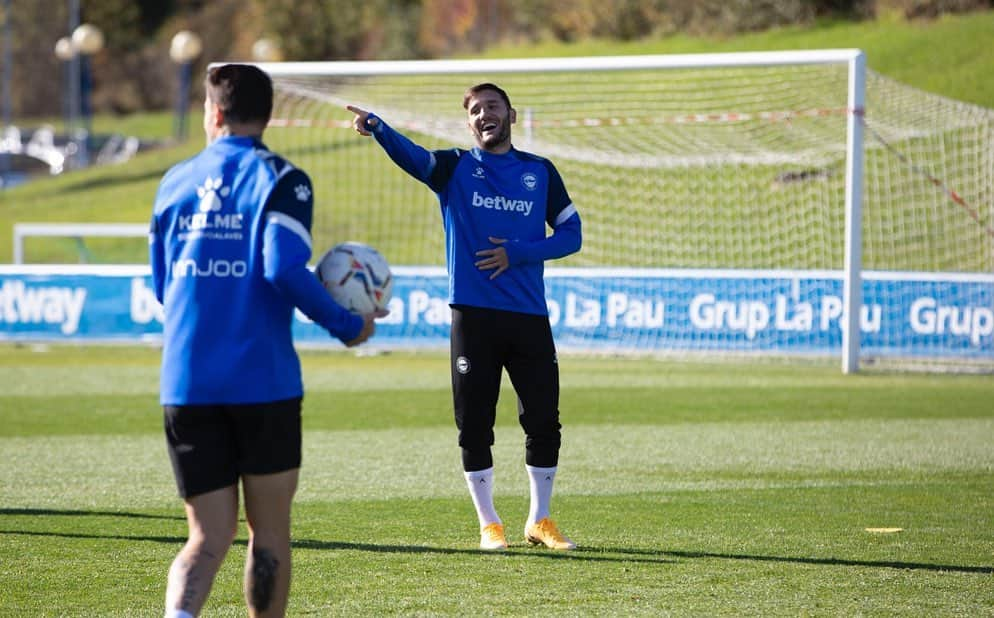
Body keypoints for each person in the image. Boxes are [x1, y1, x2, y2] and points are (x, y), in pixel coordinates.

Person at [150, 63, 382, 618]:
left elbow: (164, 288)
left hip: (187, 379)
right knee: (269, 532)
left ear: (215, 112)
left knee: (206, 538)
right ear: (269, 115)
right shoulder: (284, 179)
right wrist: (351, 326)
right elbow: (282, 267)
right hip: (262, 381)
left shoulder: (173, 181)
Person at [347, 82, 582, 551]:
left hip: (529, 316)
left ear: (510, 115)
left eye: (491, 106)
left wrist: (519, 252)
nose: (483, 114)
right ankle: (489, 523)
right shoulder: (454, 168)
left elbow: (571, 234)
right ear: (469, 122)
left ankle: (540, 519)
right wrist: (378, 128)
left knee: (543, 420)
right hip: (473, 317)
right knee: (474, 423)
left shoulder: (540, 172)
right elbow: (413, 157)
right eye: (474, 110)